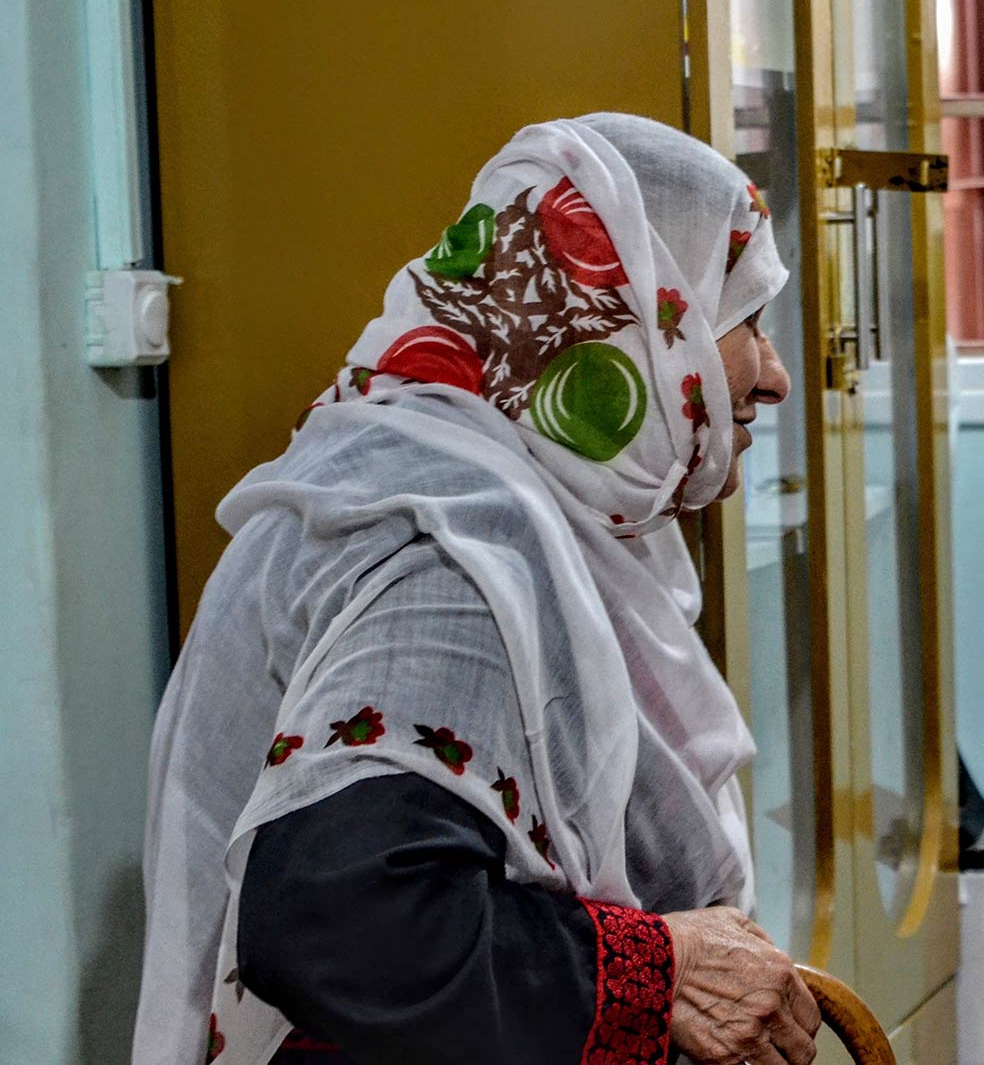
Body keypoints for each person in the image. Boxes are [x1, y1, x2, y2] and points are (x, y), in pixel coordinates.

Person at [133, 114, 821, 1065]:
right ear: (634, 323)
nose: (775, 376)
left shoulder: (485, 502)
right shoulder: (455, 555)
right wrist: (661, 970)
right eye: (741, 318)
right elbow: (342, 920)